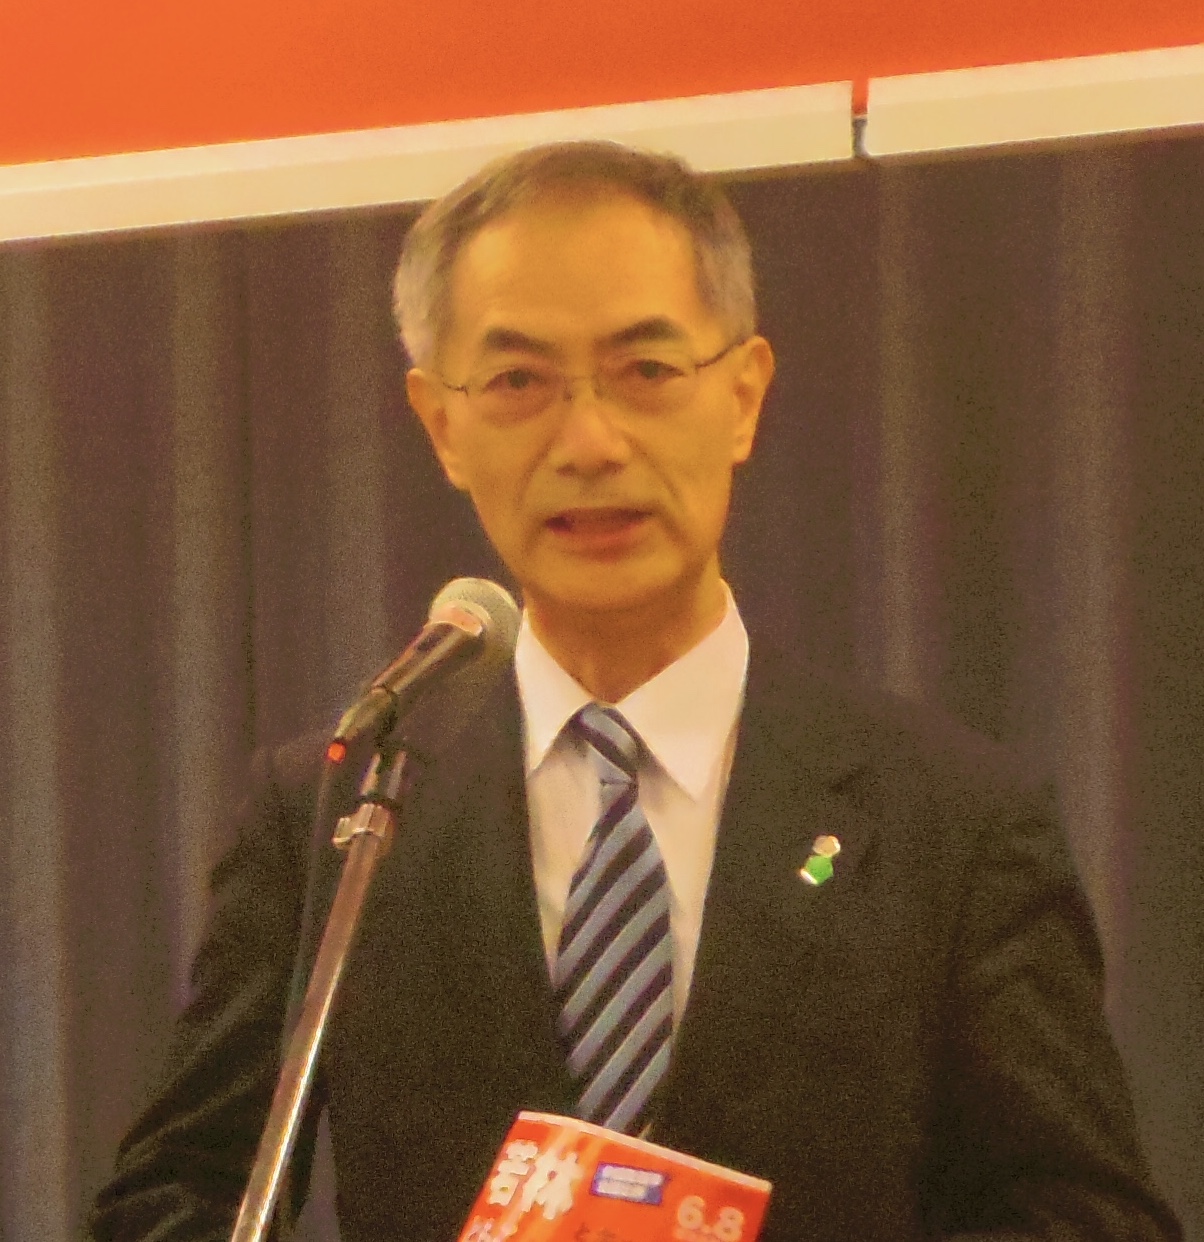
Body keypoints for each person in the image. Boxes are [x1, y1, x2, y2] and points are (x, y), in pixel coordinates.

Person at [88, 142, 1180, 1242]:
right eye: (518, 383)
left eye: (646, 372)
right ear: (442, 425)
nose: (590, 441)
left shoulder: (950, 820)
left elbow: (1088, 1219)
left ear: (742, 395)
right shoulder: (343, 814)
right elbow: (171, 1200)